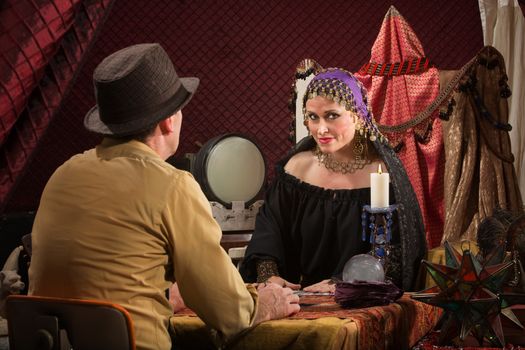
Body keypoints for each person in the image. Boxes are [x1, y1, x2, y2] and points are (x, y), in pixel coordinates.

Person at [28, 43, 299, 350]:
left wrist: (166, 294)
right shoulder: (172, 185)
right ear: (169, 120)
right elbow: (230, 313)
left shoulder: (63, 175)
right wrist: (263, 304)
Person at [240, 67, 427, 292]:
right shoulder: (295, 169)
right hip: (298, 299)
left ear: (357, 116)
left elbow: (394, 252)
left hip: (359, 300)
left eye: (332, 116)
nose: (321, 129)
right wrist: (268, 274)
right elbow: (269, 229)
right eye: (313, 117)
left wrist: (341, 283)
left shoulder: (383, 174)